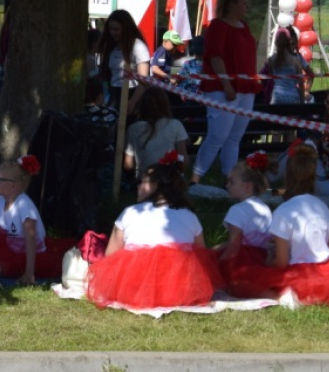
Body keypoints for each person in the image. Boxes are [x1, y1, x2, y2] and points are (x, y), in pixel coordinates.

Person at [225, 144, 329, 305]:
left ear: (287, 177)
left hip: (298, 273)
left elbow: (281, 262)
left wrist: (268, 261)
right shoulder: (322, 206)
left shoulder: (283, 211)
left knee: (242, 284)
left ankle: (283, 297)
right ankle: (310, 295)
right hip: (326, 270)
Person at [85, 157, 223, 311]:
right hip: (179, 288)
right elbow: (201, 254)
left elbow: (111, 254)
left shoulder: (130, 212)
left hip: (133, 287)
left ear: (154, 186)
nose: (138, 186)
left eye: (142, 181)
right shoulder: (189, 215)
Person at [192, 0, 260, 183]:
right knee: (217, 136)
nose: (247, 7)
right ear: (232, 4)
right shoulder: (217, 26)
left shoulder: (244, 26)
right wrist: (226, 84)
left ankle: (230, 180)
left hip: (245, 88)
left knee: (234, 137)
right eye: (243, 3)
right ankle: (195, 179)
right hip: (221, 89)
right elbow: (215, 57)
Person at [0, 156, 67, 283]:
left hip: (29, 256)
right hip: (10, 250)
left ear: (13, 186)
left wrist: (29, 273)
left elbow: (30, 239)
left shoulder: (24, 205)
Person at [215, 152, 273, 286]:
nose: (227, 186)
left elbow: (233, 247)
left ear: (247, 187)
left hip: (244, 264)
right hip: (264, 261)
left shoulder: (237, 210)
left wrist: (215, 264)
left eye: (232, 182)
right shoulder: (265, 208)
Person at [123, 86, 188, 183]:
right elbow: (183, 159)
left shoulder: (133, 128)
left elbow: (128, 165)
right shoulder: (176, 125)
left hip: (145, 181)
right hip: (170, 181)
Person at [96, 9, 150, 109]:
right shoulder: (111, 46)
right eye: (111, 29)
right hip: (113, 94)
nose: (113, 33)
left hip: (131, 94)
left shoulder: (138, 46)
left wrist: (132, 102)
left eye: (117, 29)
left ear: (126, 28)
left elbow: (144, 81)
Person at [264, 27, 313, 105]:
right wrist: (302, 101)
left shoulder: (271, 60)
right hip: (292, 96)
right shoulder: (296, 61)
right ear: (289, 42)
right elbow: (301, 83)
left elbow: (270, 81)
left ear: (276, 42)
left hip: (276, 96)